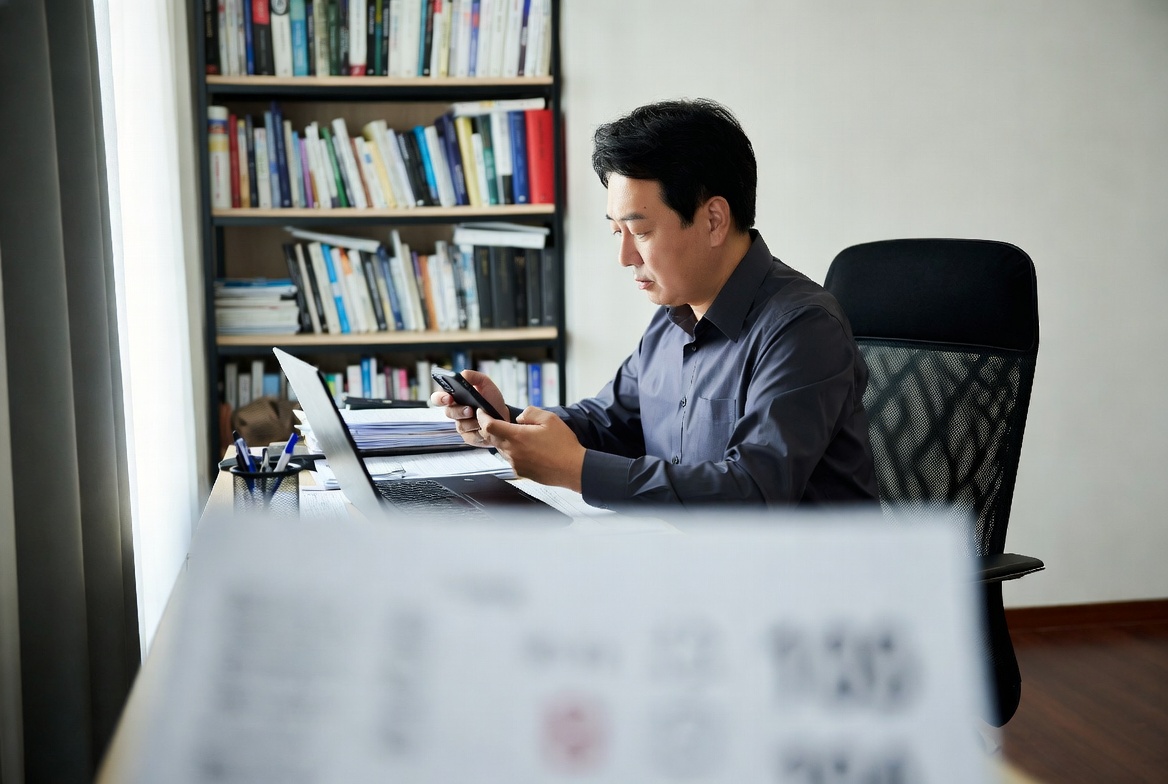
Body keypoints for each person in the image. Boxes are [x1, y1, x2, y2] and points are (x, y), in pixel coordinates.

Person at [432, 98, 878, 507]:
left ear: (714, 220)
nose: (625, 257)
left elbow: (753, 491)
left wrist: (576, 470)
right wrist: (506, 421)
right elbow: (610, 423)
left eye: (641, 232)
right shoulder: (673, 317)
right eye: (616, 232)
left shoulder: (803, 328)